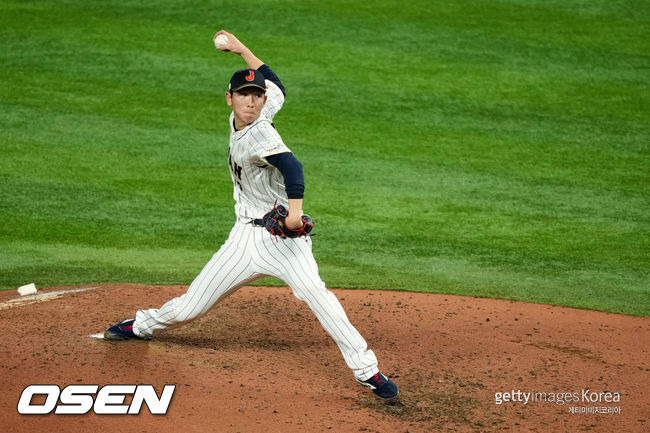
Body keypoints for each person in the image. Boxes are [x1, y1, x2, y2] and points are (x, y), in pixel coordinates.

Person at [104, 30, 398, 400]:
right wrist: (240, 49)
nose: (253, 101)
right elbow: (275, 81)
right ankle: (142, 325)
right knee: (192, 306)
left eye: (257, 95)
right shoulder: (253, 110)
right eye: (245, 94)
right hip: (245, 239)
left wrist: (295, 215)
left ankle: (367, 370)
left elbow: (293, 168)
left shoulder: (260, 132)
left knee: (315, 293)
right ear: (230, 99)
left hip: (283, 241)